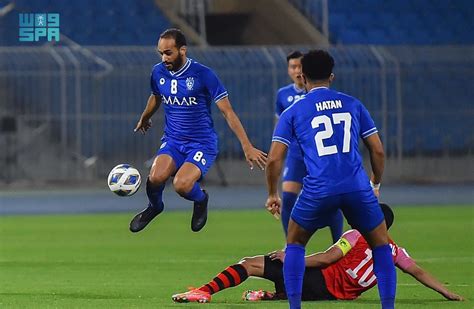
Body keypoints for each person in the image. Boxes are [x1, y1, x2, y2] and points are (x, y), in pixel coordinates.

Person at [265, 49, 396, 308]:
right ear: (332, 77)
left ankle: (294, 306)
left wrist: (272, 193)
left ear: (302, 76)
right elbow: (378, 150)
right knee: (380, 244)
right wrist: (375, 183)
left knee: (294, 243)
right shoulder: (353, 104)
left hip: (318, 189)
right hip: (357, 188)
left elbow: (274, 159)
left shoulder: (294, 111)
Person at [170, 203, 464, 304]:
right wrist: (446, 293)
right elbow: (418, 271)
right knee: (290, 276)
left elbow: (327, 258)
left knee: (250, 264)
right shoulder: (395, 251)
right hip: (329, 294)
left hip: (318, 281)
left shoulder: (356, 235)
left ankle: (205, 292)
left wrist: (293, 256)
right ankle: (274, 296)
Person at [130, 28, 267, 233]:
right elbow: (156, 96)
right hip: (173, 140)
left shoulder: (204, 75)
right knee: (155, 177)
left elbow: (228, 112)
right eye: (161, 53)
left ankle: (201, 200)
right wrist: (145, 117)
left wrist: (247, 146)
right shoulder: (158, 72)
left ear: (182, 50)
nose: (164, 58)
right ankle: (155, 207)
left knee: (182, 185)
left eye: (168, 53)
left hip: (201, 144)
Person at [275, 50, 343, 241]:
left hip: (319, 153)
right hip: (296, 155)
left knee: (332, 201)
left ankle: (338, 244)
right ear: (288, 70)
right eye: (292, 66)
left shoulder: (318, 95)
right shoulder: (283, 95)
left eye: (299, 66)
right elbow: (279, 124)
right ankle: (290, 243)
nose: (296, 70)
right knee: (288, 197)